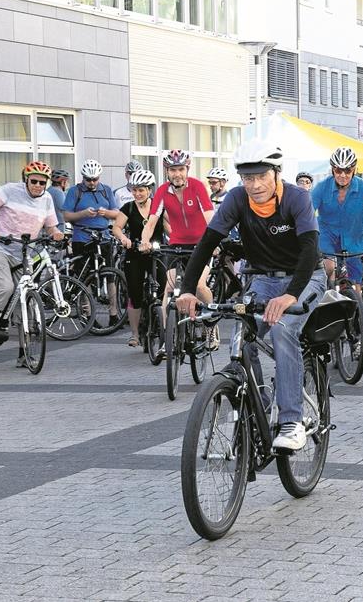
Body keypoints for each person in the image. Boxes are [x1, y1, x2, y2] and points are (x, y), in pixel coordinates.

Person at [176, 138, 326, 452]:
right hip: (261, 277)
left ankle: (291, 420)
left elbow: (310, 250)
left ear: (276, 173)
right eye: (247, 178)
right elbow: (206, 243)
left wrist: (290, 297)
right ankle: (263, 401)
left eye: (261, 176)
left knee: (283, 330)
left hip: (305, 277)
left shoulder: (296, 198)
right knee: (242, 335)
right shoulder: (236, 199)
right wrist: (187, 289)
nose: (254, 184)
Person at [0, 161, 65, 359]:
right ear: (26, 179)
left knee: (27, 300)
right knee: (4, 287)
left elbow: (50, 226)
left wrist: (56, 232)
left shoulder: (47, 199)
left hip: (24, 253)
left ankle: (25, 353)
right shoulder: (9, 191)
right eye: (34, 181)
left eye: (42, 182)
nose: (38, 186)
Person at [144, 149, 216, 348]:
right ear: (167, 171)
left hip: (201, 245)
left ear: (187, 169)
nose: (177, 174)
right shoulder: (161, 192)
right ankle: (168, 338)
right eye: (173, 169)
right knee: (168, 289)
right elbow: (151, 222)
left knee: (200, 286)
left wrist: (214, 242)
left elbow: (210, 218)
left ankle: (210, 329)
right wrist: (145, 241)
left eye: (181, 169)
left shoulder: (198, 187)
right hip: (176, 245)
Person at [313, 146, 363, 283]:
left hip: (354, 238)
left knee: (356, 281)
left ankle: (356, 301)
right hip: (327, 236)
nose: (343, 175)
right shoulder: (321, 187)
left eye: (347, 170)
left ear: (354, 170)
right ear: (332, 169)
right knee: (328, 268)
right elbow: (306, 213)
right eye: (338, 170)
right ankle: (325, 294)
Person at [63, 159, 122, 326]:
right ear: (83, 178)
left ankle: (113, 313)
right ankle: (88, 315)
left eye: (95, 179)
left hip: (103, 237)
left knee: (110, 275)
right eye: (88, 179)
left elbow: (117, 213)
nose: (91, 183)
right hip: (82, 237)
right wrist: (82, 214)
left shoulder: (106, 190)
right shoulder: (75, 191)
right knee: (84, 276)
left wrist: (106, 213)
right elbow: (66, 216)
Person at [112, 169, 157, 348]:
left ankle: (165, 326)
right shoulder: (128, 207)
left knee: (164, 289)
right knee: (135, 293)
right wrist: (123, 238)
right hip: (135, 253)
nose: (137, 193)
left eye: (141, 190)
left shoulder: (158, 207)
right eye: (134, 189)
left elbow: (171, 227)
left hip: (156, 253)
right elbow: (116, 227)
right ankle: (135, 334)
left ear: (150, 190)